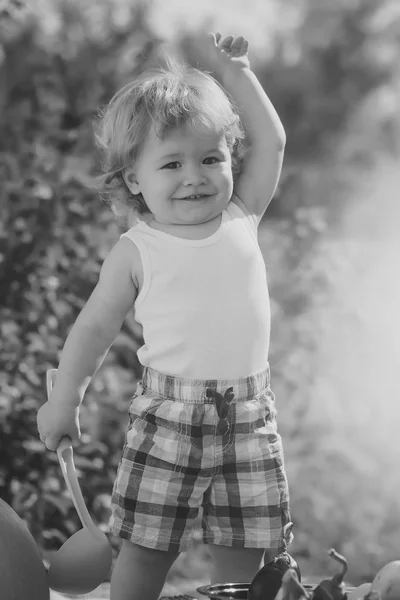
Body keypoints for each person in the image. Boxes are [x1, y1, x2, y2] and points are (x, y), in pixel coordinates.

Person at [37, 32, 293, 600]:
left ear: (230, 161)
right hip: (169, 420)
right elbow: (94, 329)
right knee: (146, 547)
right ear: (134, 180)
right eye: (171, 164)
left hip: (247, 418)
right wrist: (65, 399)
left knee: (243, 558)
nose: (194, 177)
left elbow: (272, 142)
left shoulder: (241, 215)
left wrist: (237, 74)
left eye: (210, 158)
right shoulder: (138, 249)